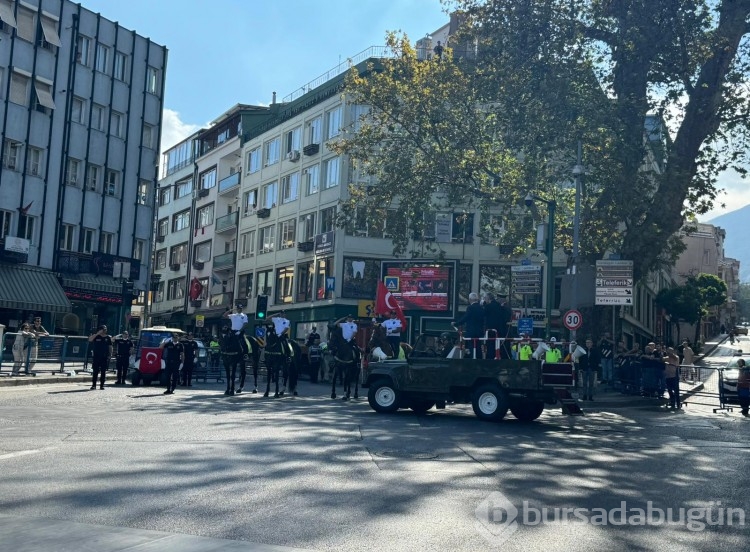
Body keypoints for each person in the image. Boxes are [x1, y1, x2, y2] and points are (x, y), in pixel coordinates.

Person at [452, 292, 485, 359]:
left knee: (472, 348)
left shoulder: (470, 308)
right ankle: (480, 361)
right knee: (478, 348)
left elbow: (465, 318)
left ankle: (473, 361)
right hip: (480, 332)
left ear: (470, 299)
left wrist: (456, 324)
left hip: (471, 332)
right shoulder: (481, 308)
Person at [483, 293, 512, 359]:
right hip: (501, 331)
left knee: (494, 348)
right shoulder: (501, 307)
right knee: (501, 349)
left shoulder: (504, 308)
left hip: (498, 331)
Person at [88, 325, 112, 390]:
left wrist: (110, 355)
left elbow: (110, 347)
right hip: (96, 356)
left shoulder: (108, 337)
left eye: (105, 329)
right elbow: (90, 339)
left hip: (104, 357)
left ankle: (102, 385)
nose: (104, 330)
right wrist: (97, 333)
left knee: (103, 371)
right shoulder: (96, 336)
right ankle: (94, 385)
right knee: (95, 371)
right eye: (103, 329)